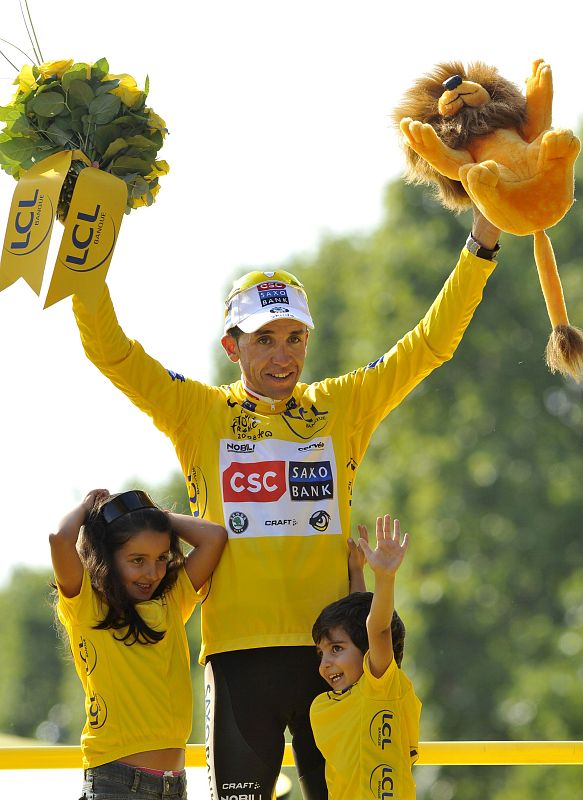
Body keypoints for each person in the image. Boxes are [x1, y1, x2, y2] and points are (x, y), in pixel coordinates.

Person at [71, 210, 500, 799]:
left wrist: (483, 240)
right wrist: (87, 237)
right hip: (240, 656)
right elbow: (112, 352)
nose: (283, 356)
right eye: (264, 339)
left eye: (295, 337)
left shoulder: (340, 405)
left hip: (329, 658)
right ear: (232, 346)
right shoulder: (199, 413)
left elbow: (430, 344)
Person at [49, 488, 227, 800]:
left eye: (161, 558)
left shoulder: (171, 601)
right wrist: (87, 509)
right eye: (137, 560)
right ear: (107, 557)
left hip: (175, 785)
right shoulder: (86, 607)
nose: (152, 572)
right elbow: (59, 539)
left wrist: (156, 518)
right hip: (114, 783)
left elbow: (214, 538)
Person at [310, 514, 419, 800]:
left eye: (335, 650)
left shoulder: (380, 688)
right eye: (321, 653)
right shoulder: (328, 705)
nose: (325, 663)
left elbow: (375, 628)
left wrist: (384, 577)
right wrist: (355, 572)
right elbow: (357, 623)